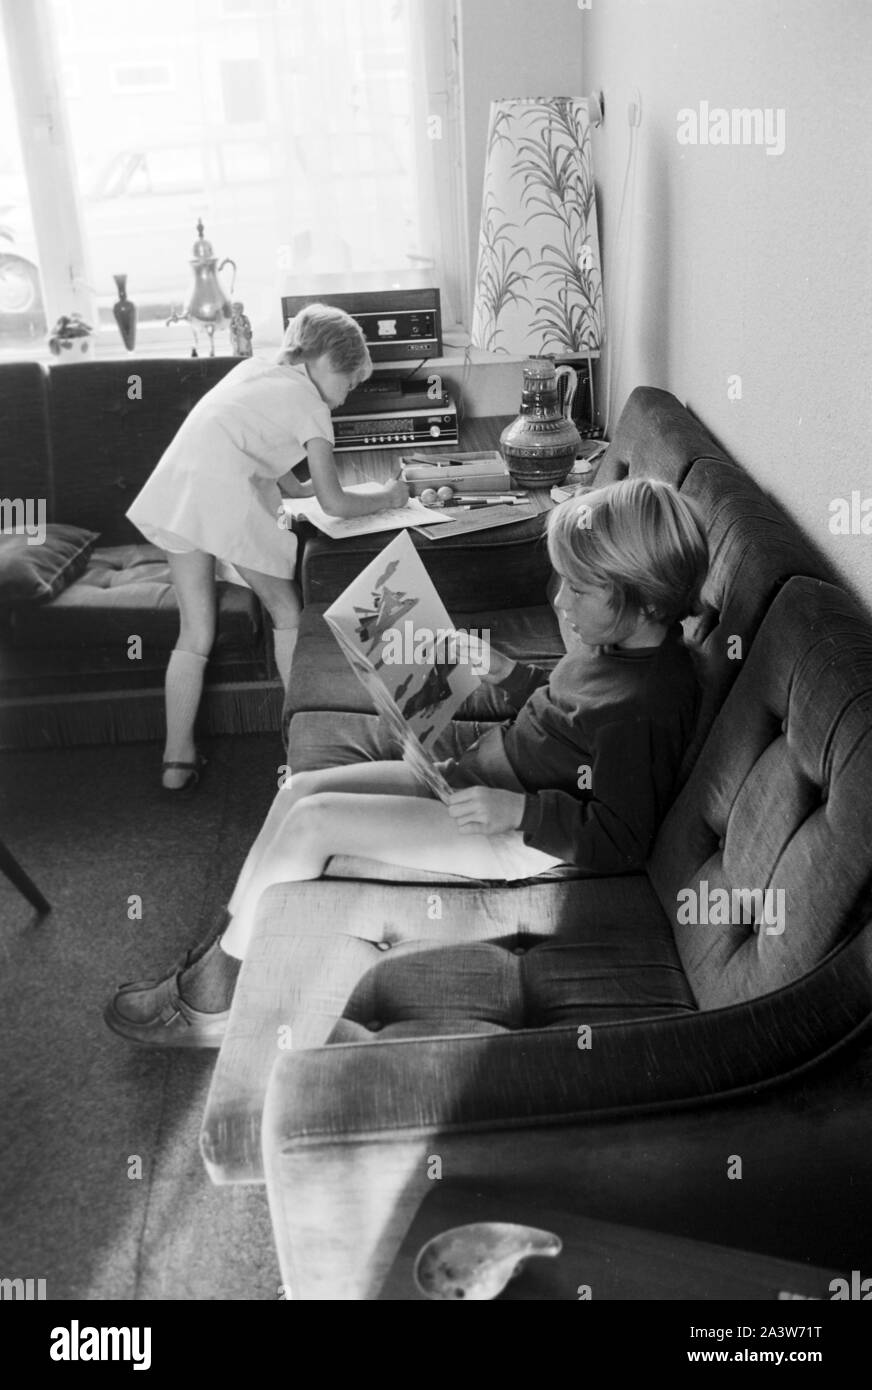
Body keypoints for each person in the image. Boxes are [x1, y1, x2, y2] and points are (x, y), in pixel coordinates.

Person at [105, 477, 709, 1045]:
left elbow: (623, 838)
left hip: (515, 839)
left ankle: (211, 1003)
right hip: (476, 777)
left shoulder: (647, 705)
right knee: (300, 790)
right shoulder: (616, 645)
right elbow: (569, 715)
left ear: (644, 597)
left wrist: (519, 811)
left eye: (577, 588)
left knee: (315, 825)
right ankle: (226, 945)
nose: (560, 600)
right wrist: (509, 674)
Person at [125, 303, 409, 791]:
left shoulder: (253, 370)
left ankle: (177, 759)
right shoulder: (313, 407)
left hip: (176, 490)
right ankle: (299, 748)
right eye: (348, 385)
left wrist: (298, 491)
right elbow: (335, 502)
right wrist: (388, 496)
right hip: (220, 498)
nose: (343, 400)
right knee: (286, 608)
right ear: (325, 363)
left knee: (194, 631)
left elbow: (277, 466)